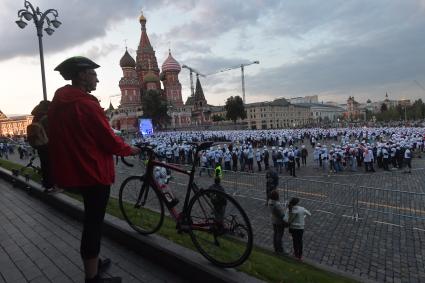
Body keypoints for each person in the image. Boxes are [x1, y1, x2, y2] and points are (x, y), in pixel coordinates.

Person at [49, 56, 141, 283]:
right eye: (93, 74)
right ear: (81, 75)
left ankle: (94, 261)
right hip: (93, 170)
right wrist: (131, 150)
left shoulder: (60, 102)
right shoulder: (86, 105)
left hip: (75, 169)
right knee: (93, 225)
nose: (97, 78)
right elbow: (108, 140)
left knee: (91, 221)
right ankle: (92, 277)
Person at [269, 190, 288, 255]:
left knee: (275, 234)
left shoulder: (270, 202)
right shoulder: (277, 205)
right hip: (279, 222)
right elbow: (282, 215)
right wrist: (285, 209)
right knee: (279, 235)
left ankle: (276, 248)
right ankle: (280, 250)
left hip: (273, 220)